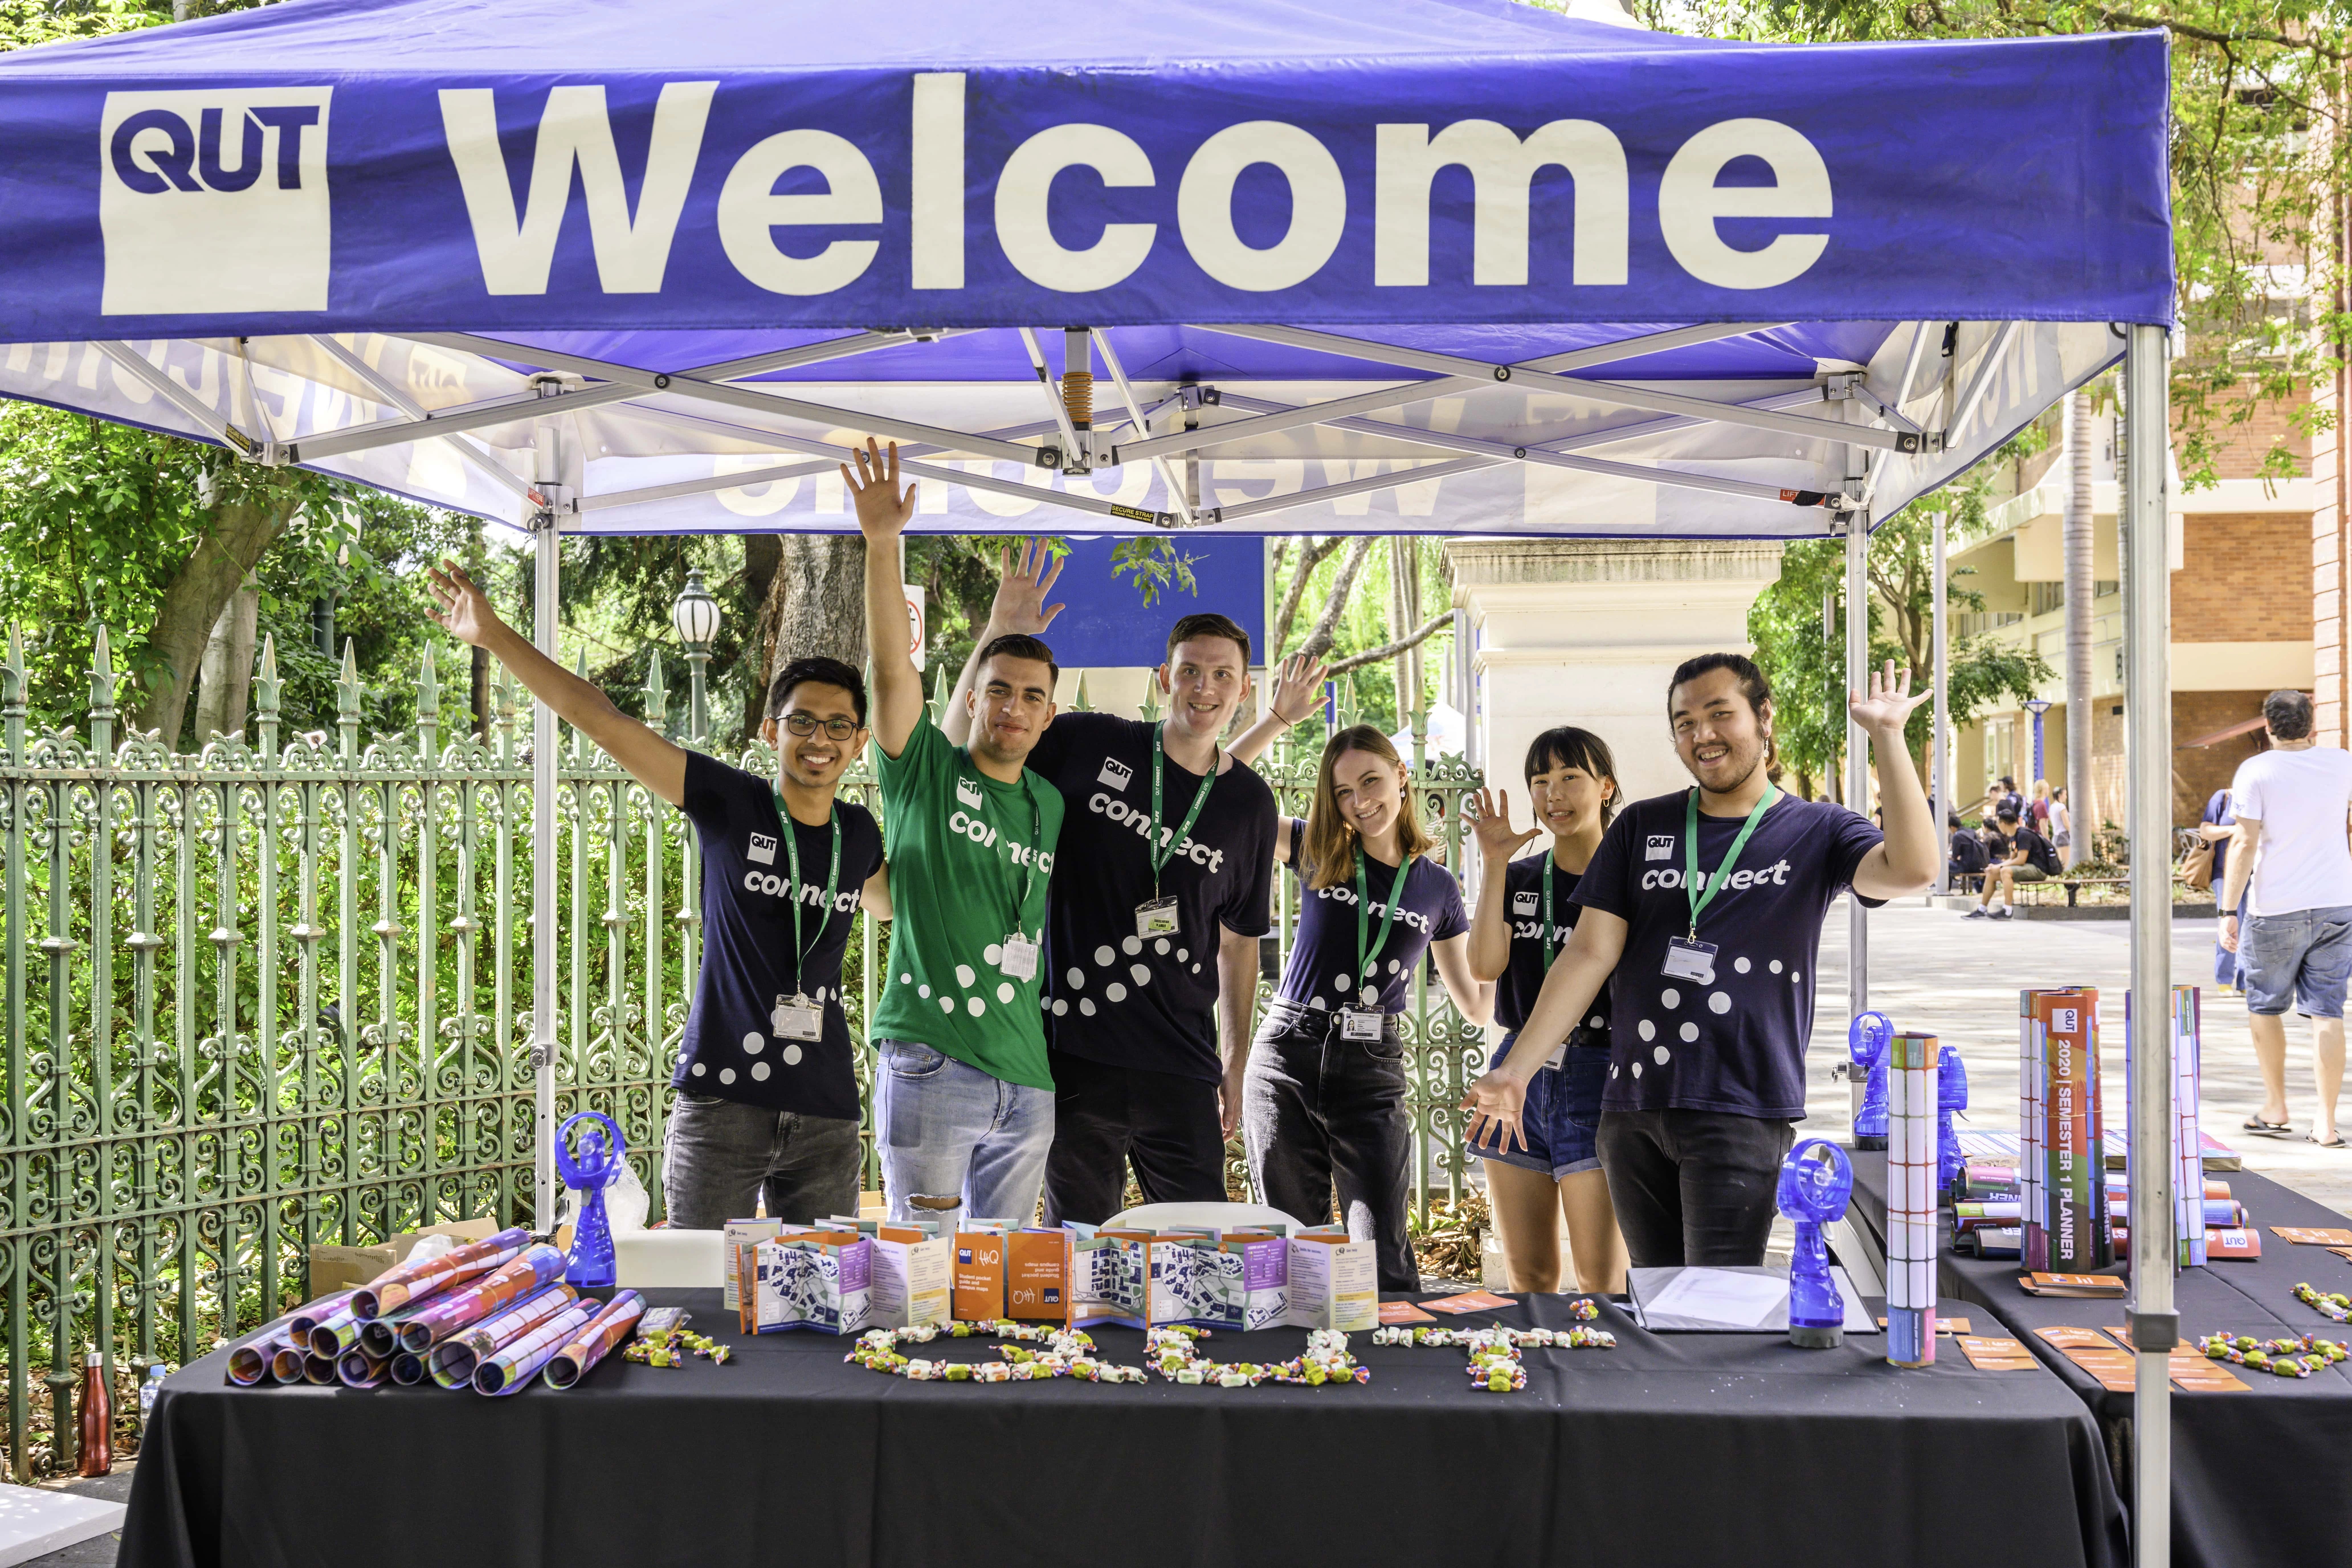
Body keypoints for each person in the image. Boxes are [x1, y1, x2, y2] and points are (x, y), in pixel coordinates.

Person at [422, 561, 889, 1228]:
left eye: (839, 726)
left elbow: (893, 901)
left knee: (818, 1299)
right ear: (771, 730)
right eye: (802, 721)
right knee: (700, 1292)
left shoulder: (859, 834)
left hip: (826, 1110)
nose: (820, 739)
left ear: (860, 741)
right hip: (724, 1102)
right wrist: (494, 636)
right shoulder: (734, 804)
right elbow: (608, 723)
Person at [1461, 655, 1937, 1268]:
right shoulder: (1641, 826)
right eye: (1685, 722)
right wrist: (1516, 1071)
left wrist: (1889, 740)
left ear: (1764, 718)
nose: (1702, 735)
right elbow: (1588, 953)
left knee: (1718, 1307)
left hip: (1740, 1106)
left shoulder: (1816, 829)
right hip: (1631, 1108)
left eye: (1720, 715)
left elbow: (1914, 869)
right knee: (1655, 1305)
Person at [939, 544, 1278, 1226]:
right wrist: (995, 635)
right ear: (1163, 679)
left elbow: (1239, 945)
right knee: (1079, 1251)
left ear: (1245, 690)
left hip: (1181, 1065)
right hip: (1071, 1056)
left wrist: (1236, 1062)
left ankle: (1181, 1342)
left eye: (1221, 676)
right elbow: (957, 761)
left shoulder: (1249, 804)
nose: (1204, 689)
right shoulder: (1091, 743)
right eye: (1189, 672)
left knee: (1197, 1250)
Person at [850, 439, 1068, 1222]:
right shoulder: (924, 775)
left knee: (1001, 1283)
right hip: (932, 1065)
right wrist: (884, 544)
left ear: (1050, 714)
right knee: (924, 1280)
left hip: (1027, 1082)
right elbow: (889, 674)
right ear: (972, 699)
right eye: (997, 691)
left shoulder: (1051, 800)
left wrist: (1006, 634)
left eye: (1031, 697)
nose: (1013, 706)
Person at [1244, 724, 1491, 1290]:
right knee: (1288, 1249)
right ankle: (1298, 1367)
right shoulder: (1316, 847)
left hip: (1371, 1064)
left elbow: (1477, 1005)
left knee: (1382, 1259)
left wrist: (1498, 872)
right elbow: (1221, 799)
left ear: (1402, 776)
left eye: (1372, 780)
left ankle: (1395, 1371)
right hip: (1289, 1050)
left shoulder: (1437, 887)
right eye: (1344, 791)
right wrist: (1276, 720)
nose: (1361, 801)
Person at [1463, 728, 1629, 1295]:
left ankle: (1600, 1384)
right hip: (1518, 1073)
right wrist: (1495, 864)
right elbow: (1484, 966)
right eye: (1540, 781)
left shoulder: (1632, 881)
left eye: (1569, 778)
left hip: (1602, 1071)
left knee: (1601, 1281)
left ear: (1605, 787)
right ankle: (1536, 1382)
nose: (1553, 794)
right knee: (1529, 1276)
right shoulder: (1524, 878)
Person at [2219, 689, 2352, 1148]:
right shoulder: (2343, 764)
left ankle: (2275, 1106)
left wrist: (2226, 910)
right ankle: (2326, 1122)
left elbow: (2243, 843)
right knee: (2327, 1011)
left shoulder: (2256, 771)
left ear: (2268, 727)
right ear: (2312, 726)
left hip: (2274, 908)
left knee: (2264, 1004)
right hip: (2337, 903)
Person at [1965, 807, 2056, 920]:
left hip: (2038, 870)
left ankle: (2008, 910)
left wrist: (2000, 867)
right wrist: (1996, 867)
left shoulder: (2024, 835)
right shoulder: (2015, 836)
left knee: (2006, 871)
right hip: (2028, 868)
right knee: (1992, 874)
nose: (1998, 826)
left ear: (2003, 823)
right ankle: (1982, 909)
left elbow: (2021, 860)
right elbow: (2013, 859)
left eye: (1998, 823)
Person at [2198, 785, 2243, 990]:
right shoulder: (2223, 798)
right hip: (2224, 874)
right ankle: (2225, 979)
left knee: (2250, 926)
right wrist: (2235, 830)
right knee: (2229, 921)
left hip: (2257, 874)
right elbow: (2205, 830)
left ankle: (2246, 982)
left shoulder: (2263, 799)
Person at [1947, 811, 1990, 890]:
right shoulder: (1972, 831)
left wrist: (1949, 857)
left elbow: (1955, 857)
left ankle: (1946, 890)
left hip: (1968, 867)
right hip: (1982, 865)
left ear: (1952, 828)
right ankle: (1980, 891)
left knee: (1945, 865)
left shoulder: (1957, 836)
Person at [2049, 785, 2073, 856]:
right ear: (2060, 795)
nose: (2066, 797)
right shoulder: (2061, 807)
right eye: (2065, 795)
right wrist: (2072, 834)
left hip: (2056, 837)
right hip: (2063, 837)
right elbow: (2067, 824)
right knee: (2066, 863)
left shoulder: (2052, 807)